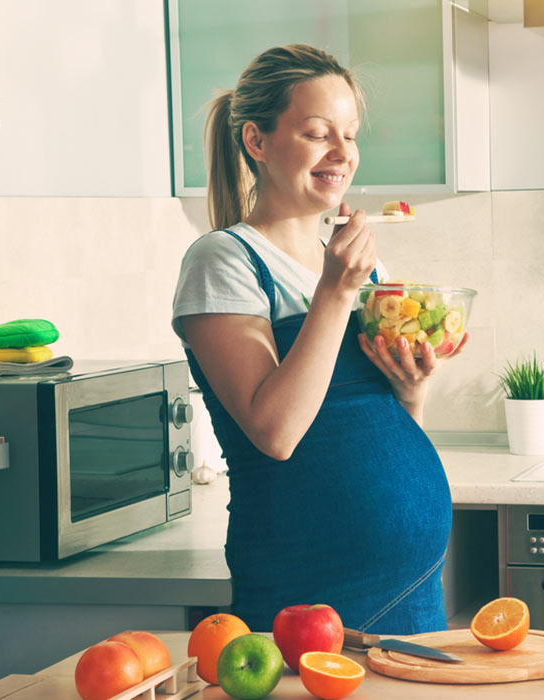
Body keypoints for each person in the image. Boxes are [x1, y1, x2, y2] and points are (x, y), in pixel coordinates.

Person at [171, 44, 467, 634]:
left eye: (351, 135)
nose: (342, 154)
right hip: (310, 591)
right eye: (317, 134)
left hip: (412, 589)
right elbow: (275, 431)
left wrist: (410, 391)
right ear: (257, 142)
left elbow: (367, 422)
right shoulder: (224, 260)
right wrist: (335, 291)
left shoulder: (354, 265)